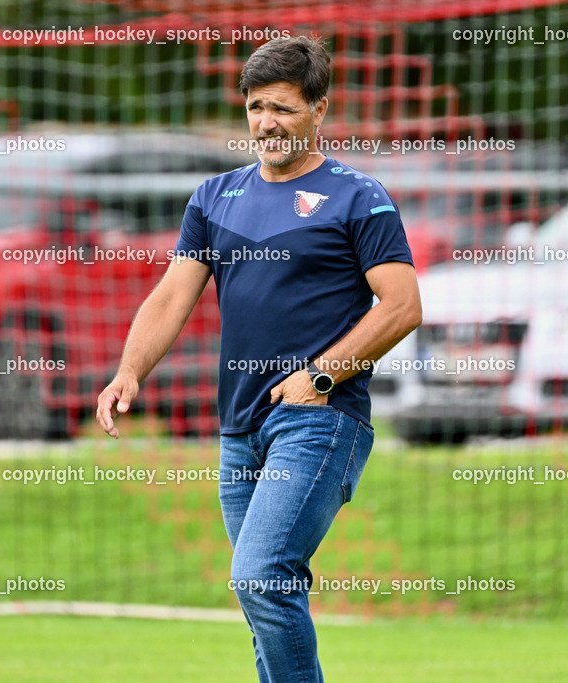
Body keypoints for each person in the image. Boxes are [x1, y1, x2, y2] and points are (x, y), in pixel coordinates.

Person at [96, 35, 421, 683]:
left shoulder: (359, 197)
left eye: (283, 108)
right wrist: (129, 370)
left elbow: (402, 306)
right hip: (239, 427)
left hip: (319, 418)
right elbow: (172, 296)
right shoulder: (214, 197)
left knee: (262, 576)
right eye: (255, 107)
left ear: (319, 110)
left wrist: (320, 375)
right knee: (262, 597)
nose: (266, 123)